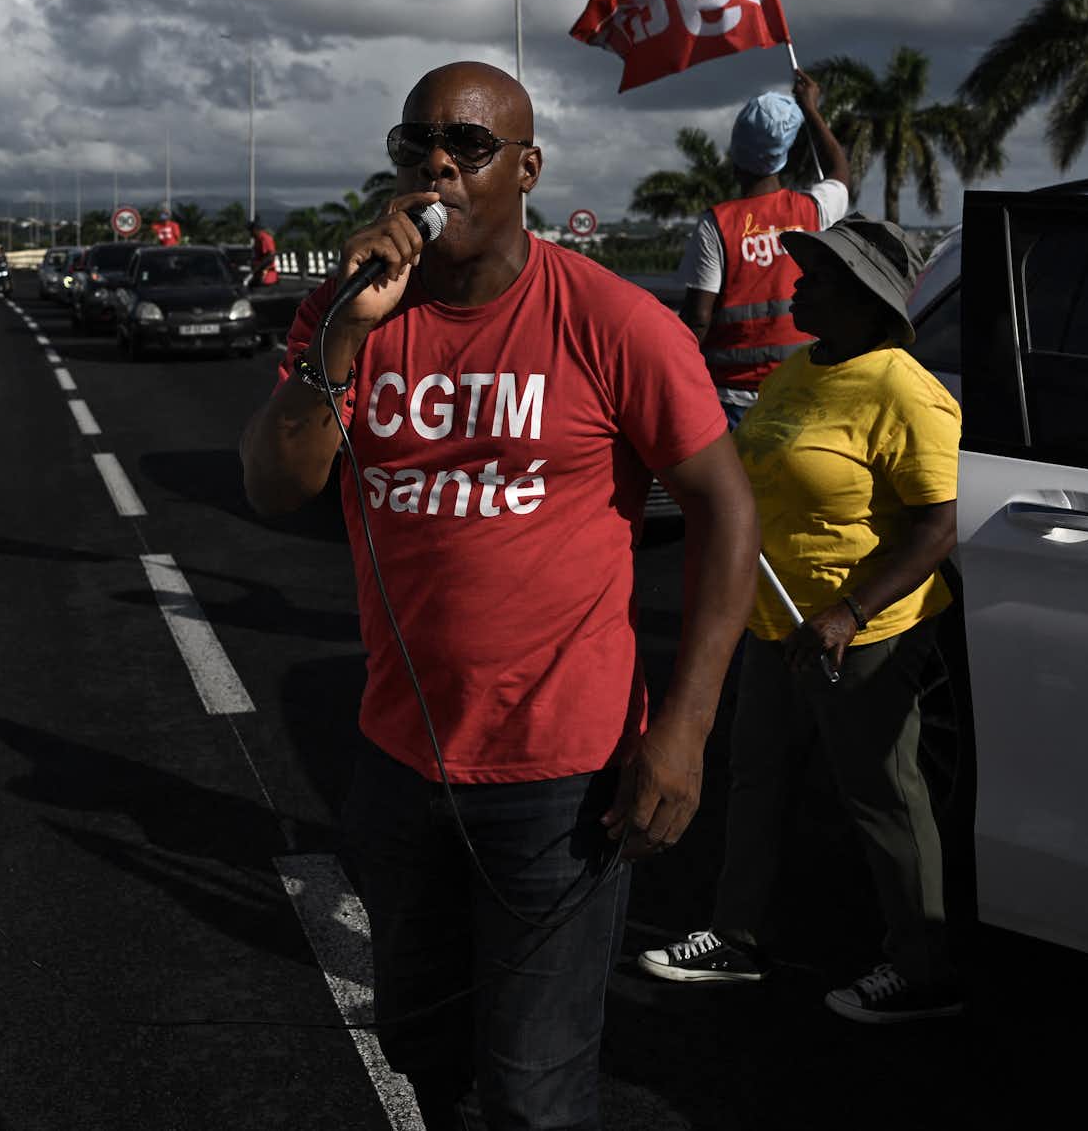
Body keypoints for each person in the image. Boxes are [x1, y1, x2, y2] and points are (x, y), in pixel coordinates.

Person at [239, 62, 757, 1130]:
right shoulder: (353, 316)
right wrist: (341, 329)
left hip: (560, 780)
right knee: (423, 1043)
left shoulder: (612, 321)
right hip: (397, 757)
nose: (437, 163)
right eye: (414, 141)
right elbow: (273, 484)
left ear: (525, 168)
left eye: (468, 146)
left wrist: (688, 729)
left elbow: (724, 510)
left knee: (532, 1087)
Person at [636, 216, 965, 1023]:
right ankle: (736, 938)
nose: (796, 287)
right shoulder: (797, 372)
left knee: (883, 796)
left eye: (817, 279)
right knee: (756, 780)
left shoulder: (902, 388)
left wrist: (851, 612)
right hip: (776, 622)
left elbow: (940, 525)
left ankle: (925, 970)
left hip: (858, 634)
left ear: (863, 299)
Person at [678, 71, 851, 428]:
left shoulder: (717, 224)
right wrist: (811, 109)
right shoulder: (814, 210)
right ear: (783, 154)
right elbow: (840, 172)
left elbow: (697, 319)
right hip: (803, 392)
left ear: (735, 154)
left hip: (732, 402)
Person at [250, 214, 279, 288]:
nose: (250, 233)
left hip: (267, 277)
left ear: (255, 230)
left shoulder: (265, 238)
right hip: (259, 275)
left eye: (251, 230)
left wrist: (259, 266)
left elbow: (271, 256)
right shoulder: (257, 240)